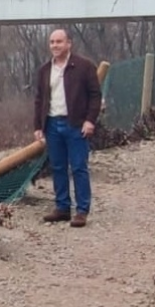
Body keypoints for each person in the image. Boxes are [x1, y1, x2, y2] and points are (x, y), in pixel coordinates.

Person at [33, 28, 102, 227]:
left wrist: (90, 120)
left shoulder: (84, 66)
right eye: (52, 42)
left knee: (79, 167)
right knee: (58, 167)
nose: (55, 45)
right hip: (52, 124)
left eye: (59, 42)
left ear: (68, 43)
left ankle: (82, 211)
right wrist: (38, 125)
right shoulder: (45, 70)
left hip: (76, 124)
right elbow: (39, 99)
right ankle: (62, 207)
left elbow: (95, 95)